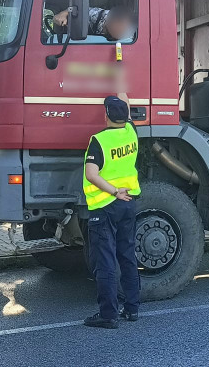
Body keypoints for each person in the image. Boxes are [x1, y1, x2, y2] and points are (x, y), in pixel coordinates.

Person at [81, 95, 141, 329]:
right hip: (128, 203)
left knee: (105, 261)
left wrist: (114, 191)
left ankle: (108, 314)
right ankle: (133, 309)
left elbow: (91, 175)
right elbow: (124, 98)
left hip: (105, 206)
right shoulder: (130, 132)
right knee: (127, 256)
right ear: (126, 115)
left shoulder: (99, 141)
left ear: (105, 115)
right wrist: (119, 66)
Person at [53, 6, 135, 41]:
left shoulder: (130, 34)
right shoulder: (96, 14)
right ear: (109, 22)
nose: (121, 31)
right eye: (118, 28)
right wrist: (63, 14)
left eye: (123, 29)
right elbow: (77, 10)